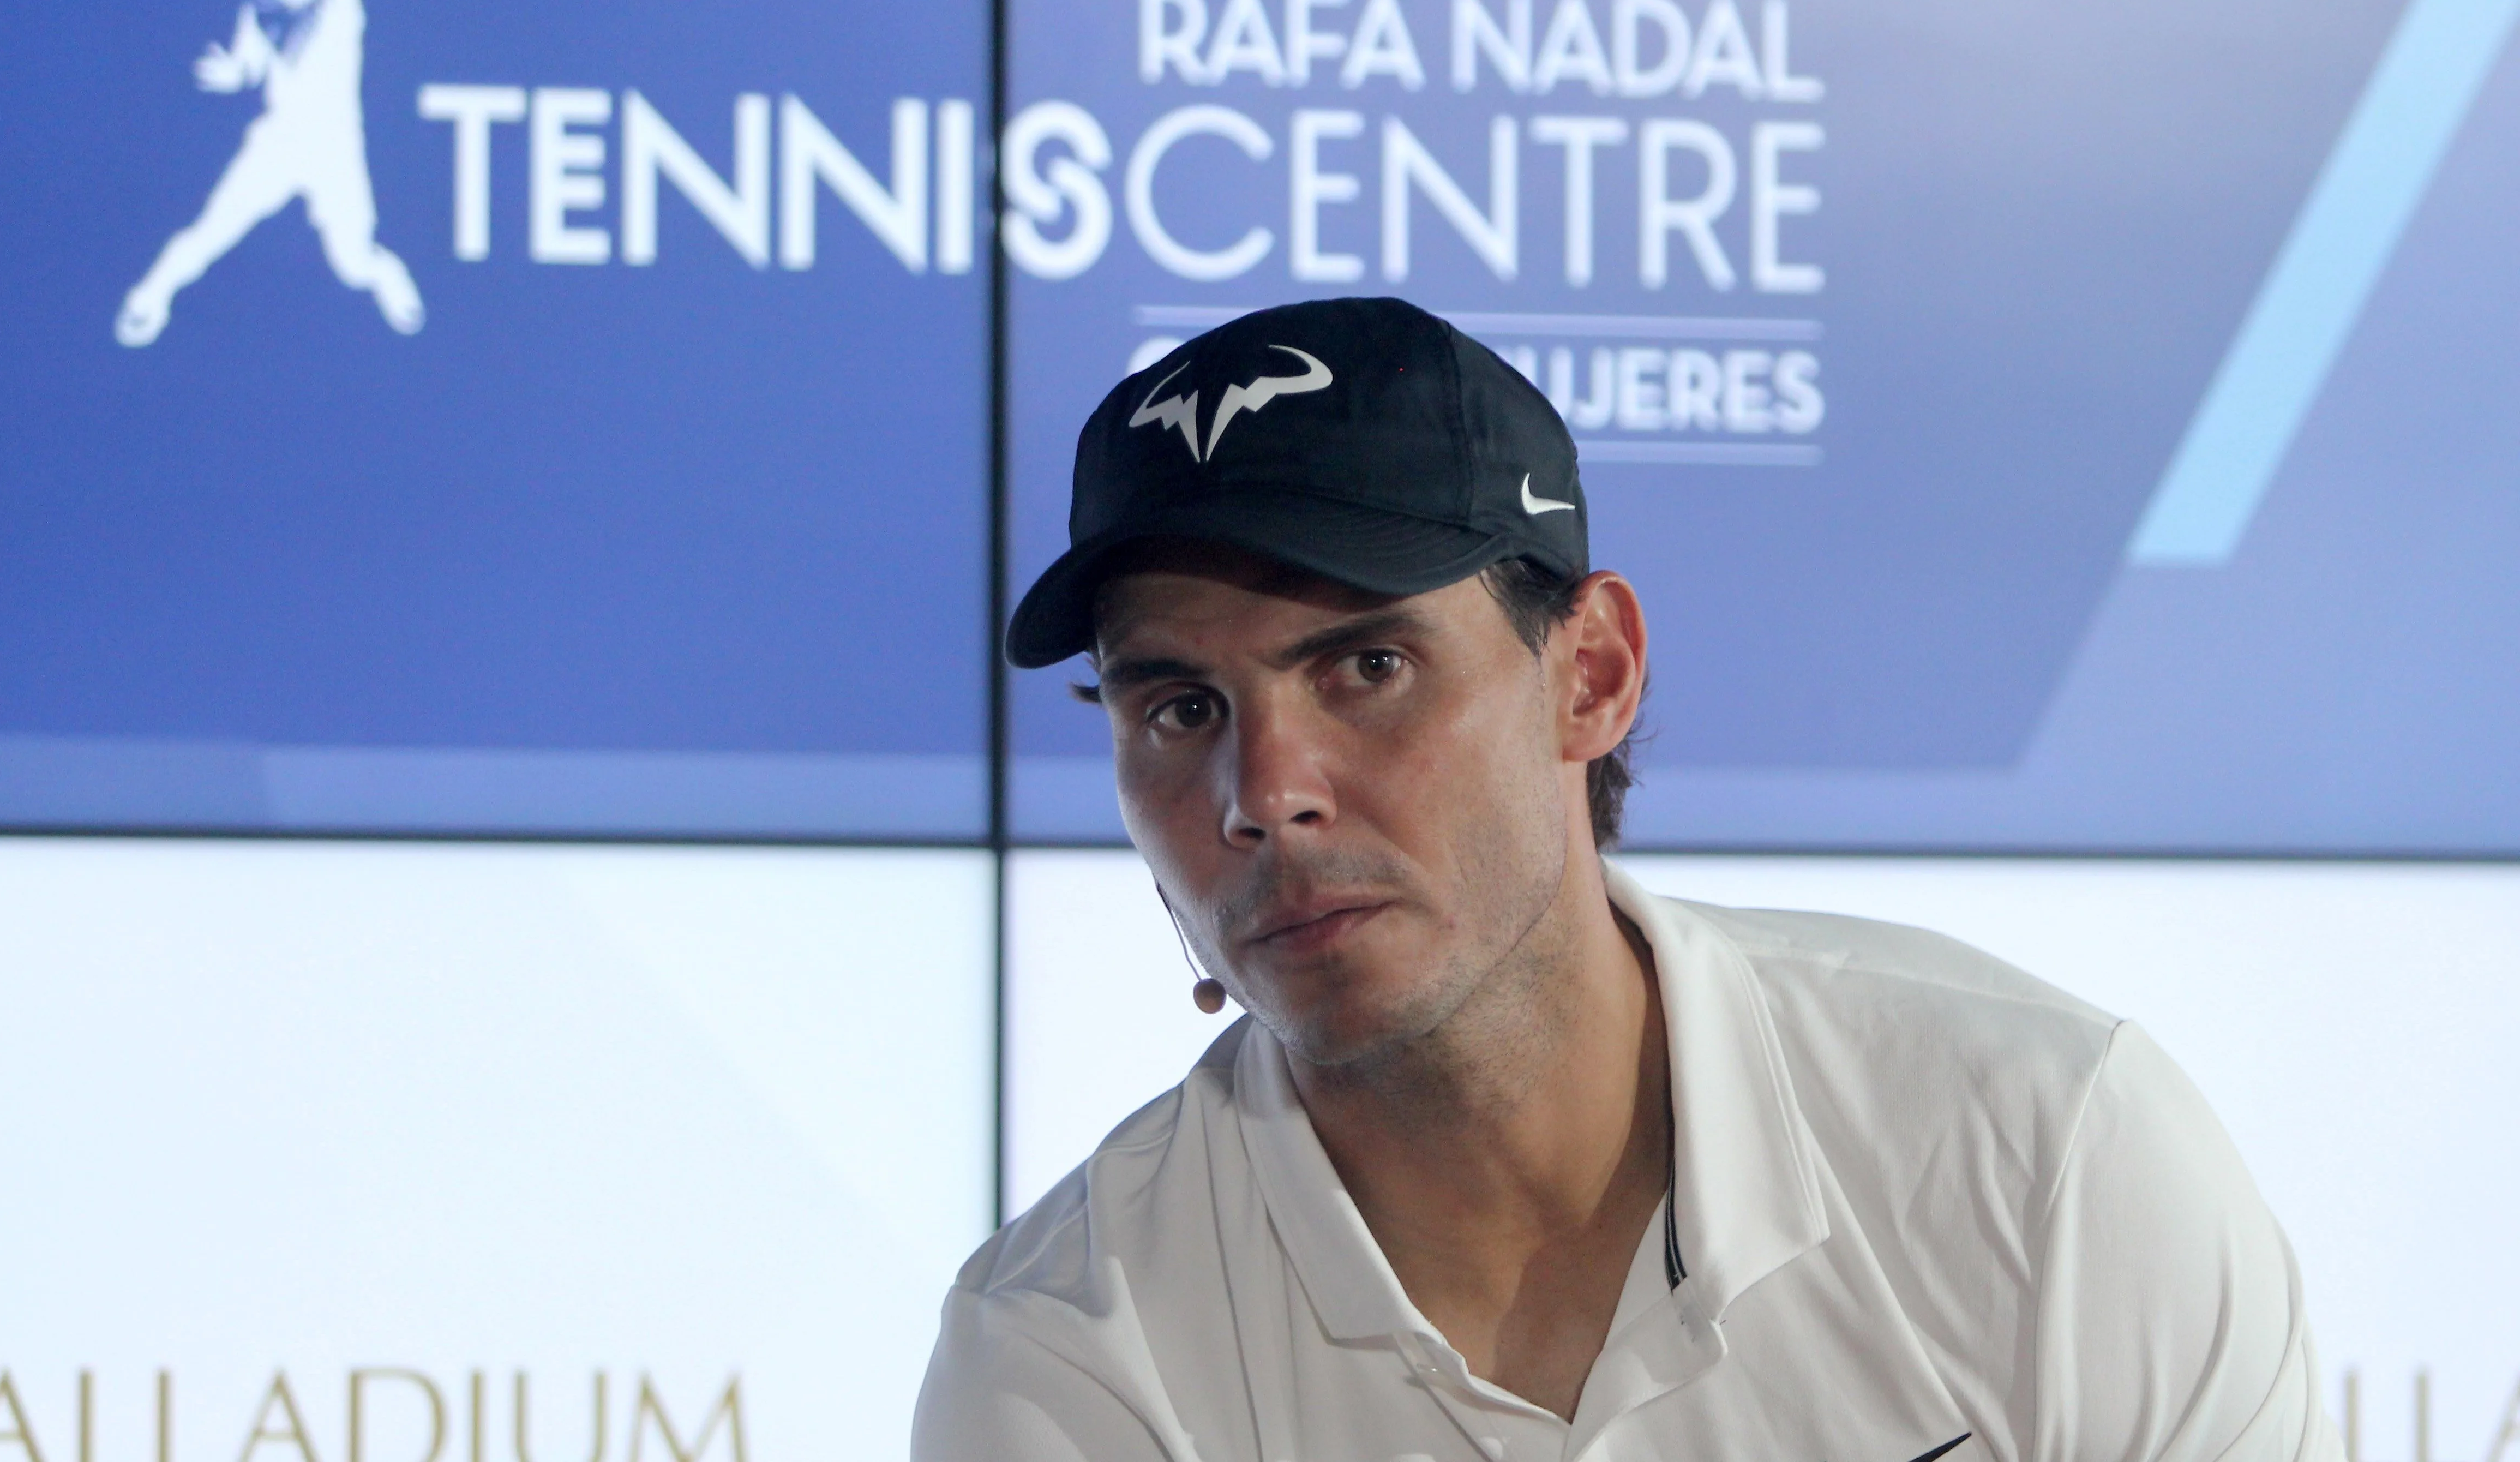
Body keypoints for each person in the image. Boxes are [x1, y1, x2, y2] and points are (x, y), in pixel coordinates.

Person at [915, 297, 2334, 1461]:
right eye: (1179, 707)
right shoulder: (1067, 1354)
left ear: (1587, 675)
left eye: (1366, 666)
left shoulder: (2040, 1152)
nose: (1264, 791)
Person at [116, 0, 421, 347]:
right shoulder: (261, 13)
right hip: (278, 142)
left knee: (354, 263)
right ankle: (149, 298)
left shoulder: (339, 5)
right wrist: (233, 75)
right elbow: (249, 68)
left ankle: (387, 274)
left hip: (335, 149)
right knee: (209, 231)